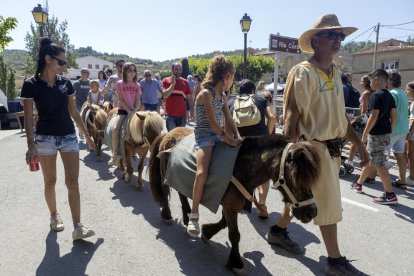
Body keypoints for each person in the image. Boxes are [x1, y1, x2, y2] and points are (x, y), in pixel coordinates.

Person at [267, 14, 369, 275]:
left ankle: (278, 231)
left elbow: (341, 117)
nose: (338, 40)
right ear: (315, 41)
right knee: (329, 205)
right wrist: (287, 155)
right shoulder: (302, 72)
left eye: (340, 36)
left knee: (305, 196)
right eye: (332, 35)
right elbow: (291, 113)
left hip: (332, 149)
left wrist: (361, 146)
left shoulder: (335, 72)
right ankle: (334, 261)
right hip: (312, 150)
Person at [20, 38, 96, 240]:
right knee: (50, 181)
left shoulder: (66, 83)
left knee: (73, 182)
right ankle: (54, 215)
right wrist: (31, 145)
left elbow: (74, 112)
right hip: (44, 138)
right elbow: (28, 117)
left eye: (65, 62)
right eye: (61, 62)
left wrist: (87, 135)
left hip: (68, 136)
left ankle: (78, 226)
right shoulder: (30, 84)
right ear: (47, 59)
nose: (64, 66)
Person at [187, 55, 242, 237]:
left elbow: (229, 119)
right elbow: (213, 124)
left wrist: (238, 136)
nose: (232, 82)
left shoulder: (223, 96)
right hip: (205, 137)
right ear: (226, 77)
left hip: (219, 135)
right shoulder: (205, 94)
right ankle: (193, 216)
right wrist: (228, 139)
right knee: (201, 173)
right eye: (232, 78)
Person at [229, 79, 276, 219]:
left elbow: (227, 125)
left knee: (245, 174)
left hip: (241, 144)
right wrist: (266, 134)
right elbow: (272, 117)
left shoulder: (231, 103)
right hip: (260, 143)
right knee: (264, 174)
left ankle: (246, 200)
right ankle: (262, 203)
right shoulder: (261, 99)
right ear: (253, 90)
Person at [350, 69, 397, 205]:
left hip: (375, 135)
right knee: (372, 160)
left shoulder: (376, 96)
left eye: (371, 79)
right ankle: (358, 183)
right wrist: (389, 131)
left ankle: (390, 195)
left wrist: (364, 134)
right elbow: (394, 116)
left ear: (376, 79)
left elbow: (373, 116)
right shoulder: (390, 96)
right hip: (384, 134)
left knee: (378, 164)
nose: (370, 82)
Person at [108, 62, 141, 166]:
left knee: (143, 129)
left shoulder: (137, 85)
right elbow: (120, 100)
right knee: (115, 129)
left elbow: (138, 99)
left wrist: (135, 110)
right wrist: (128, 110)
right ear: (125, 72)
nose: (132, 72)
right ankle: (115, 153)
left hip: (134, 110)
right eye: (130, 70)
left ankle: (140, 149)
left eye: (134, 70)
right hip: (123, 110)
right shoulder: (120, 83)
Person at [385, 70, 409, 189]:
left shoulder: (392, 94)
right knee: (399, 155)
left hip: (393, 129)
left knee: (381, 153)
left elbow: (391, 113)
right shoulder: (403, 93)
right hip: (403, 128)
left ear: (389, 80)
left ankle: (373, 177)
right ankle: (402, 180)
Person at [162, 63, 193, 131]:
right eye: (176, 69)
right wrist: (173, 84)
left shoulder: (185, 82)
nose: (178, 71)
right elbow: (165, 95)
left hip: (182, 116)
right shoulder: (165, 80)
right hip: (170, 115)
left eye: (180, 69)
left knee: (181, 139)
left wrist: (192, 113)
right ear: (172, 70)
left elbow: (190, 98)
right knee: (172, 138)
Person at [73, 68, 90, 139]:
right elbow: (73, 94)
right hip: (79, 104)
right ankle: (80, 131)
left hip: (88, 104)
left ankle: (85, 132)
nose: (84, 73)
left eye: (86, 72)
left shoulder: (91, 82)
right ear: (81, 73)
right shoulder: (76, 83)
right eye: (83, 72)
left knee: (88, 119)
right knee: (81, 119)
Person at [406, 81, 414, 185]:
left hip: (413, 131)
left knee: (410, 155)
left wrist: (409, 132)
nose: (406, 91)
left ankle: (412, 177)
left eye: (408, 89)